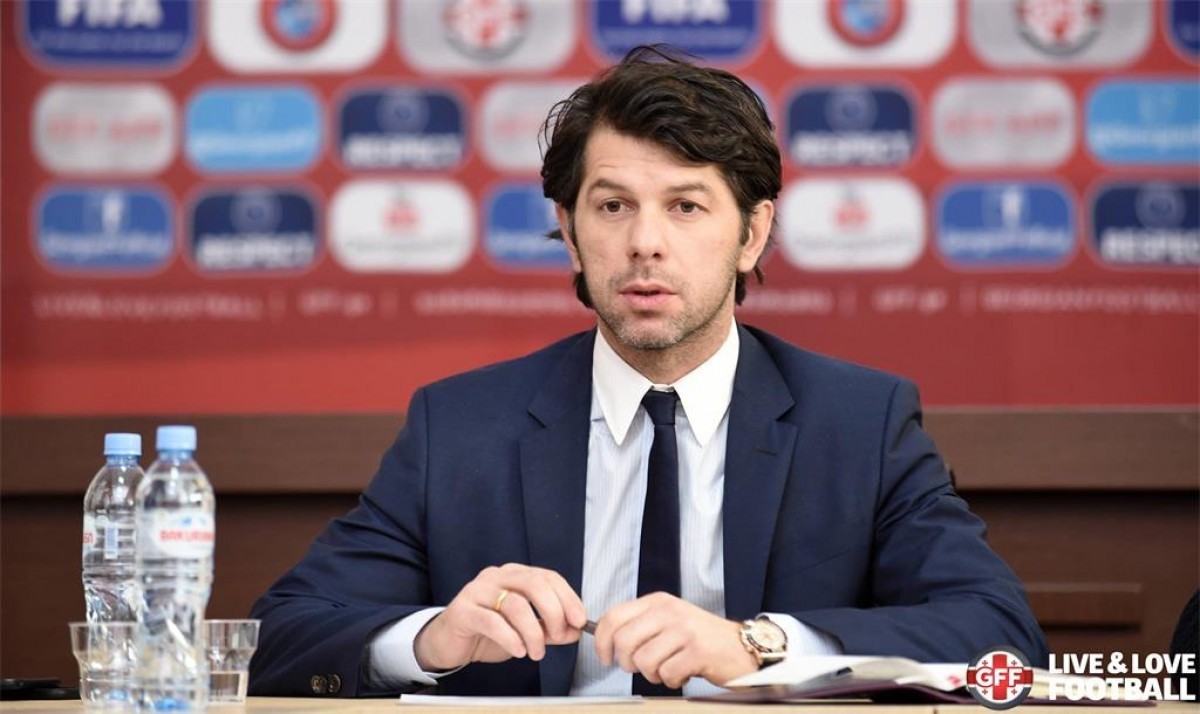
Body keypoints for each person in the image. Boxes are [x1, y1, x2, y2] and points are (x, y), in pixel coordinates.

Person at [248, 46, 1048, 698]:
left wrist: (759, 646)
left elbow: (1000, 634)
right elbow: (280, 633)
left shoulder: (860, 423)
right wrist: (433, 638)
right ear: (569, 233)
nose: (645, 244)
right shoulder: (461, 426)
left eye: (686, 206)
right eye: (613, 206)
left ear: (752, 234)